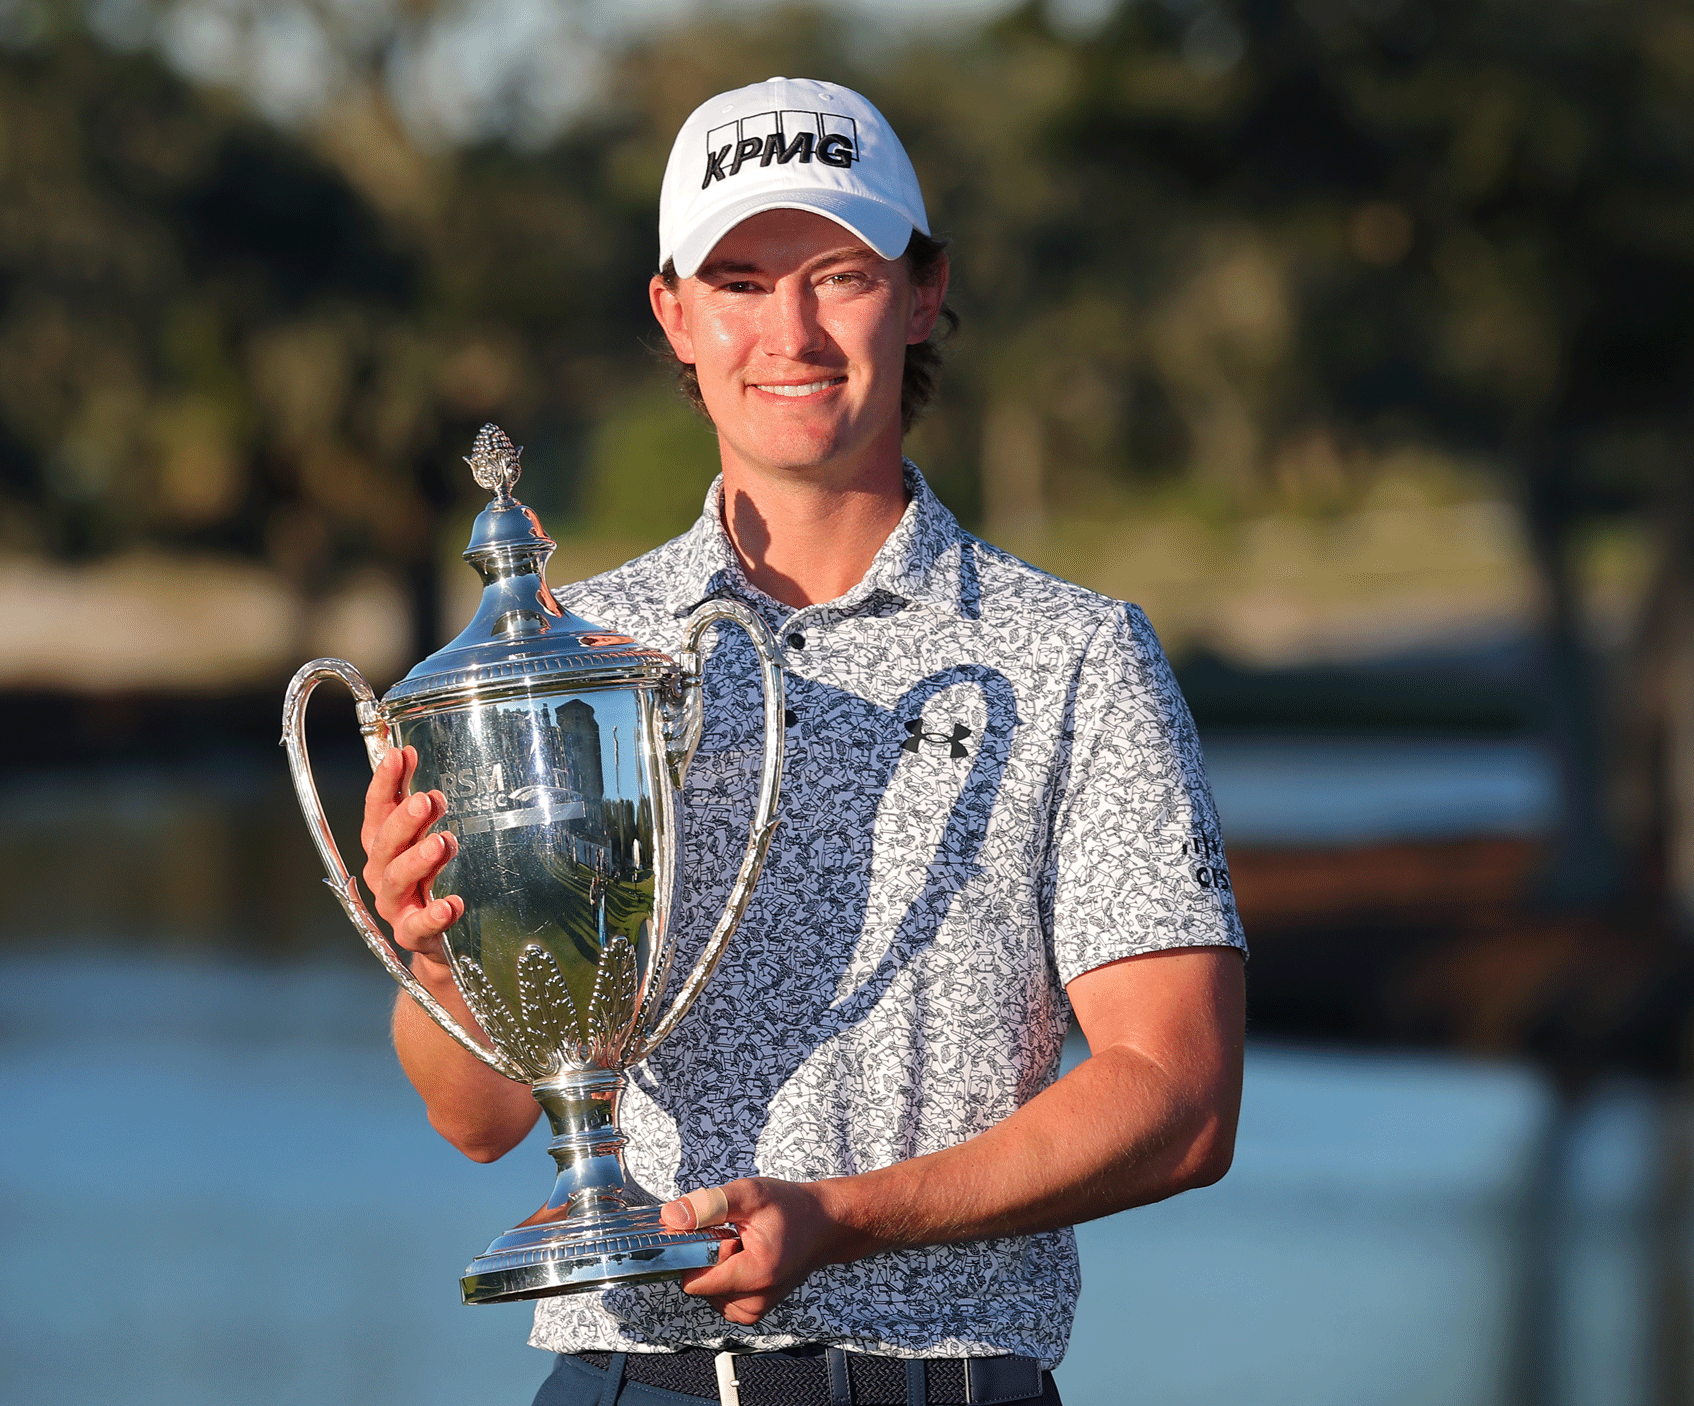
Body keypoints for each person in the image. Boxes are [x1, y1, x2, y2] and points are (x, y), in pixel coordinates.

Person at [358, 77, 1247, 1406]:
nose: (792, 330)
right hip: (633, 1382)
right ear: (674, 313)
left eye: (837, 273)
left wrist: (850, 1214)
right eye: (739, 280)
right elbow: (476, 1115)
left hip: (952, 1382)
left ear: (925, 289)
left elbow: (1179, 1094)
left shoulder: (1075, 656)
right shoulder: (564, 653)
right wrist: (436, 949)